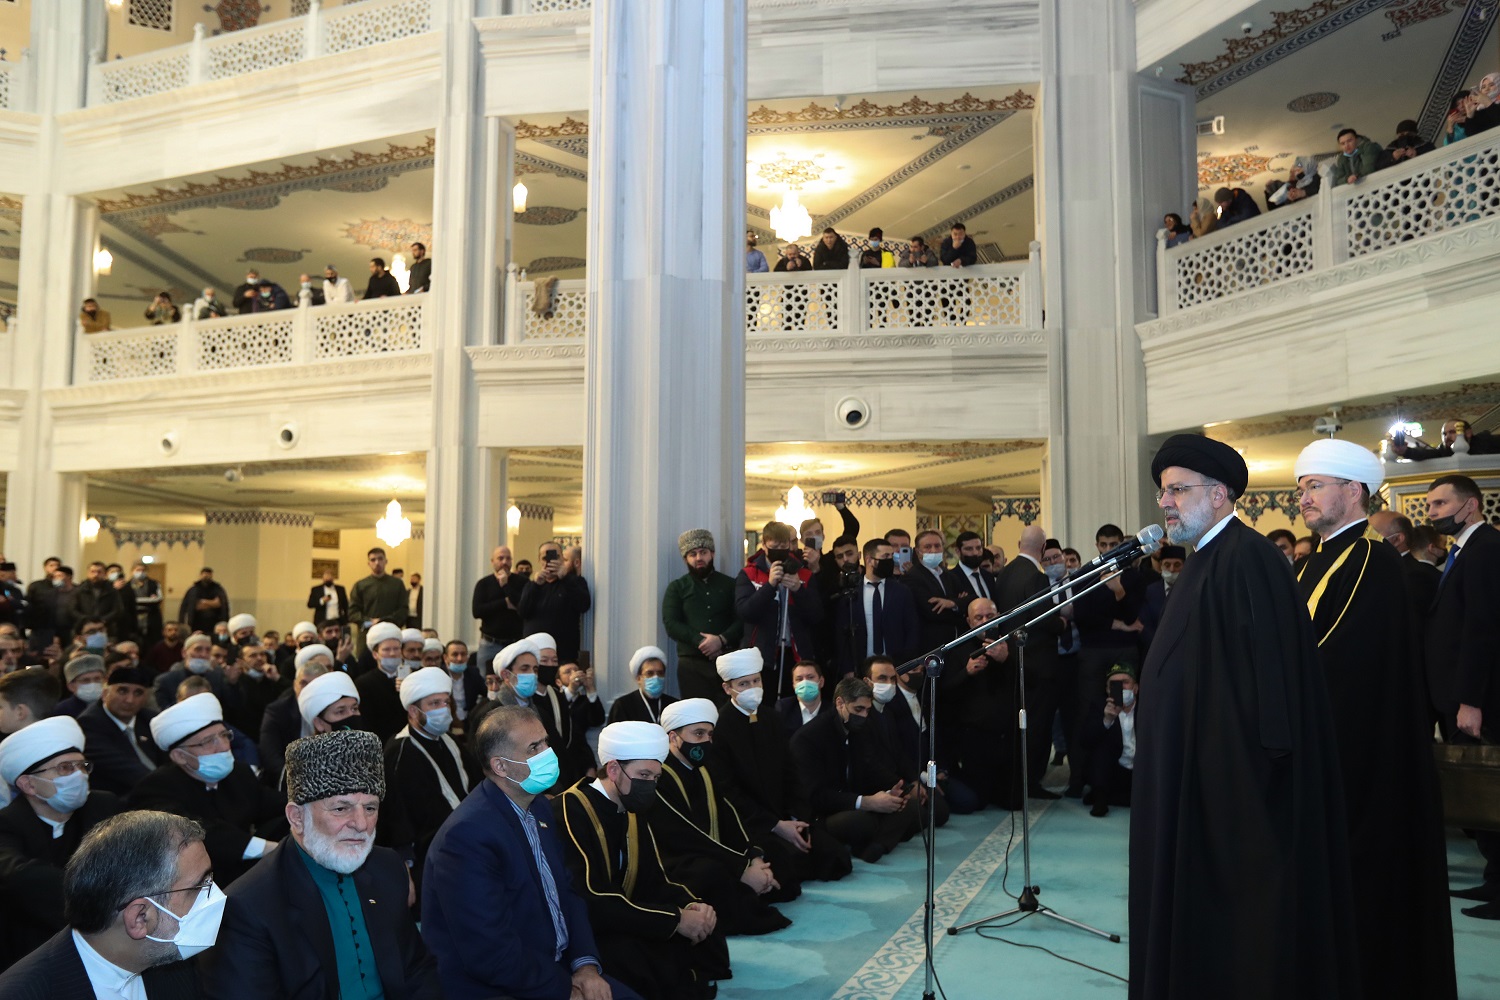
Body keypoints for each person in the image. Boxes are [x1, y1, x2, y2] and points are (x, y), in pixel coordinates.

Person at [1130, 433, 1358, 999]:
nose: (1165, 504)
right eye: (1163, 493)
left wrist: (1233, 779)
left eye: (1177, 490)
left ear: (1220, 494)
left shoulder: (1247, 558)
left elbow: (1268, 690)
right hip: (1195, 778)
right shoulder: (1207, 557)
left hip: (1230, 792)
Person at [1289, 440, 1457, 983]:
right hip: (1326, 745)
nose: (1303, 497)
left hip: (1359, 755)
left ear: (1353, 491)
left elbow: (1335, 659)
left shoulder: (1370, 559)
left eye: (1314, 486)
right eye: (1301, 488)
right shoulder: (1318, 559)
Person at [422, 704, 643, 999]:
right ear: (500, 766)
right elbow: (490, 953)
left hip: (551, 965)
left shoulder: (538, 806)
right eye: (533, 748)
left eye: (546, 742)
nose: (547, 754)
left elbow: (566, 891)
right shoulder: (466, 837)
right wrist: (565, 991)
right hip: (495, 985)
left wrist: (585, 965)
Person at [200, 729, 441, 999]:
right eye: (341, 808)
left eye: (370, 808)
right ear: (297, 817)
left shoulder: (388, 868)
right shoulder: (247, 907)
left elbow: (417, 968)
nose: (361, 824)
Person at [559, 721, 731, 1000]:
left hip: (625, 913)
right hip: (589, 926)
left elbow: (655, 879)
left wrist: (691, 905)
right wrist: (675, 920)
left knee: (707, 930)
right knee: (639, 955)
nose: (650, 785)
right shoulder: (570, 809)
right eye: (643, 775)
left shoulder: (631, 808)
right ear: (613, 770)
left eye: (655, 778)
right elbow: (591, 897)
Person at [0, 810, 215, 997]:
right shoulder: (23, 993)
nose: (214, 894)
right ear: (140, 917)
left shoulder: (175, 961)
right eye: (200, 886)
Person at [1423, 473, 1500, 919]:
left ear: (1469, 506)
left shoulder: (1487, 549)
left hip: (1476, 697)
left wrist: (1470, 699)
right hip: (1456, 694)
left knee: (1491, 791)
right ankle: (1494, 881)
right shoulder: (1466, 549)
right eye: (1429, 504)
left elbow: (1482, 628)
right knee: (1480, 797)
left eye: (1439, 504)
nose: (1431, 513)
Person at [650, 698, 794, 934]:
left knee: (774, 852)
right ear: (673, 738)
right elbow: (686, 835)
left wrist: (753, 856)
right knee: (713, 875)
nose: (706, 741)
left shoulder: (704, 770)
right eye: (698, 734)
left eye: (709, 734)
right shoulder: (660, 777)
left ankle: (755, 885)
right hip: (678, 859)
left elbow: (729, 815)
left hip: (713, 850)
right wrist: (741, 867)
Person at [710, 649, 851, 884]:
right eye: (744, 683)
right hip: (751, 823)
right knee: (788, 870)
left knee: (837, 858)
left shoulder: (772, 717)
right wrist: (775, 825)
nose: (753, 687)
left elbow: (790, 774)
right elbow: (728, 792)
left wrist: (798, 819)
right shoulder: (720, 727)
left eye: (756, 680)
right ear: (728, 688)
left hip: (786, 816)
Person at [0, 716, 125, 967]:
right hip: (35, 947)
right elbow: (19, 877)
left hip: (113, 935)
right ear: (28, 784)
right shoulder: (7, 823)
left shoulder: (102, 804)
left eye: (82, 766)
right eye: (65, 768)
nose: (79, 776)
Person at [130, 693, 288, 887]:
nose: (223, 747)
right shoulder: (156, 788)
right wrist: (272, 849)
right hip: (194, 886)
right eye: (208, 741)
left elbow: (272, 802)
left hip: (245, 876)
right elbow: (197, 832)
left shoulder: (238, 773)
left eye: (224, 735)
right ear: (180, 756)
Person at [791, 676, 919, 864]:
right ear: (840, 703)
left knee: (909, 806)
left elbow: (868, 769)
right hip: (822, 813)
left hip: (852, 800)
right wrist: (866, 802)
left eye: (867, 710)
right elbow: (815, 796)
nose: (864, 716)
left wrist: (893, 791)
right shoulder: (809, 738)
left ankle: (877, 845)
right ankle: (879, 839)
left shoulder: (859, 727)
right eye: (858, 709)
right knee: (862, 821)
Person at [379, 667, 480, 900]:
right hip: (429, 856)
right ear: (413, 711)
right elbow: (396, 819)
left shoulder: (449, 741)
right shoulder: (399, 751)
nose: (443, 710)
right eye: (434, 704)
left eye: (446, 702)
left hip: (465, 842)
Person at [735, 521, 822, 698]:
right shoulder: (750, 574)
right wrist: (769, 586)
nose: (779, 550)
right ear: (764, 545)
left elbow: (817, 616)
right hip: (762, 656)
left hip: (796, 655)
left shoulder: (803, 574)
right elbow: (745, 612)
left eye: (783, 546)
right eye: (774, 546)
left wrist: (798, 590)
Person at [662, 529, 744, 704]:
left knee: (727, 716)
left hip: (727, 662)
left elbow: (742, 619)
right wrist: (701, 642)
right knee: (696, 717)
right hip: (691, 666)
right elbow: (671, 623)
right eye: (693, 554)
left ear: (712, 553)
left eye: (703, 552)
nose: (699, 558)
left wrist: (721, 639)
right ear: (685, 558)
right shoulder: (677, 587)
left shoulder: (731, 584)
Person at [832, 538, 921, 678]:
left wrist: (908, 662)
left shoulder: (902, 591)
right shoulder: (851, 592)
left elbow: (912, 628)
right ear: (869, 560)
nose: (890, 561)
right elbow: (841, 634)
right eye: (885, 557)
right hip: (861, 666)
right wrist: (847, 668)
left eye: (891, 556)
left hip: (896, 665)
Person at [77, 665, 163, 797]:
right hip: (117, 800)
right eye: (122, 691)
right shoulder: (89, 724)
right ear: (105, 694)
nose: (130, 700)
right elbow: (124, 769)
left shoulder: (151, 720)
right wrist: (167, 784)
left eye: (138, 693)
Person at [1069, 666, 1137, 818]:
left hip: (1138, 773)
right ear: (1107, 689)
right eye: (1114, 684)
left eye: (1125, 682)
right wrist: (1107, 720)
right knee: (1100, 746)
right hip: (1112, 771)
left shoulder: (1148, 707)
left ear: (1136, 688)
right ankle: (1100, 800)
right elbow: (1084, 741)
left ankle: (1115, 797)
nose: (1120, 687)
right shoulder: (1099, 706)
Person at [518, 541, 592, 664]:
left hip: (563, 655)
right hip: (535, 654)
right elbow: (522, 612)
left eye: (556, 557)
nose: (550, 561)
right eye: (545, 558)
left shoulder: (575, 582)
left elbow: (584, 605)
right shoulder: (532, 585)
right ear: (539, 561)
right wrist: (536, 585)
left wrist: (565, 578)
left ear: (562, 559)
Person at [472, 544, 526, 672]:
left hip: (515, 643)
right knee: (486, 682)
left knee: (515, 682)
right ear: (493, 561)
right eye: (500, 558)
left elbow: (524, 607)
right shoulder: (483, 584)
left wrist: (506, 586)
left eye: (508, 558)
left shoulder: (522, 582)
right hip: (490, 643)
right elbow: (477, 611)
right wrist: (504, 602)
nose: (504, 562)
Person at [349, 548, 408, 649]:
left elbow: (403, 609)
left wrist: (384, 621)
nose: (377, 563)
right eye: (373, 560)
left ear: (386, 561)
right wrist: (370, 622)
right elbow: (353, 613)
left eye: (380, 559)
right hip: (367, 635)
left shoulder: (397, 584)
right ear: (368, 563)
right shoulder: (360, 585)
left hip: (391, 634)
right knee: (365, 664)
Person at [608, 645, 678, 725]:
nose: (656, 677)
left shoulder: (674, 705)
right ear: (638, 678)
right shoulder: (622, 706)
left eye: (660, 673)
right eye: (649, 673)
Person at [51, 654, 107, 719]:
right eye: (85, 680)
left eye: (97, 679)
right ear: (71, 686)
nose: (93, 683)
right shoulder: (61, 711)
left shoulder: (114, 706)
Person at [178, 568, 229, 638]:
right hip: (196, 622)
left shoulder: (218, 589)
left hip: (214, 623)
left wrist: (203, 602)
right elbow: (187, 606)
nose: (206, 576)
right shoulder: (193, 590)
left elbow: (221, 604)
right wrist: (181, 622)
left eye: (209, 574)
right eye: (205, 574)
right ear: (201, 575)